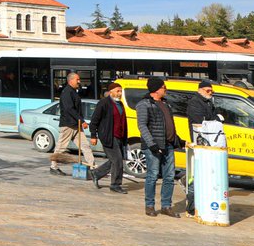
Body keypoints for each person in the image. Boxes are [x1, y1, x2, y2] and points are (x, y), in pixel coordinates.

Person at [136, 77, 185, 217]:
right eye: (164, 87)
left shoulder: (166, 104)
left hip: (168, 145)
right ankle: (149, 205)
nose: (166, 89)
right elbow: (142, 126)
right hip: (154, 146)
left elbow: (169, 126)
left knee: (169, 176)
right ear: (156, 89)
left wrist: (179, 141)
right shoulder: (144, 104)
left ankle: (166, 206)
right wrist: (151, 144)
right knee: (152, 175)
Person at [184, 79, 220, 214]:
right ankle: (192, 205)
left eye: (212, 90)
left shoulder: (209, 102)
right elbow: (201, 122)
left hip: (210, 142)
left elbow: (215, 119)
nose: (211, 93)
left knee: (206, 173)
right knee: (198, 173)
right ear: (200, 90)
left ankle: (200, 201)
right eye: (208, 90)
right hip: (200, 141)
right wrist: (212, 121)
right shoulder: (195, 102)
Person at [50, 72, 94, 176]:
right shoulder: (67, 92)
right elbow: (69, 109)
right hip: (68, 124)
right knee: (61, 147)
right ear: (71, 80)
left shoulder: (73, 91)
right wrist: (82, 121)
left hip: (76, 125)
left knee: (85, 146)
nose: (79, 81)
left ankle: (92, 167)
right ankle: (53, 167)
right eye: (77, 80)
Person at [88, 82, 128, 194]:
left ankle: (96, 173)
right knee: (117, 160)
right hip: (108, 136)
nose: (120, 93)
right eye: (117, 91)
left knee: (115, 160)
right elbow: (94, 120)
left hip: (119, 136)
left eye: (121, 91)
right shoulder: (104, 103)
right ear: (111, 92)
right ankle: (115, 185)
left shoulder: (120, 104)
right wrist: (93, 135)